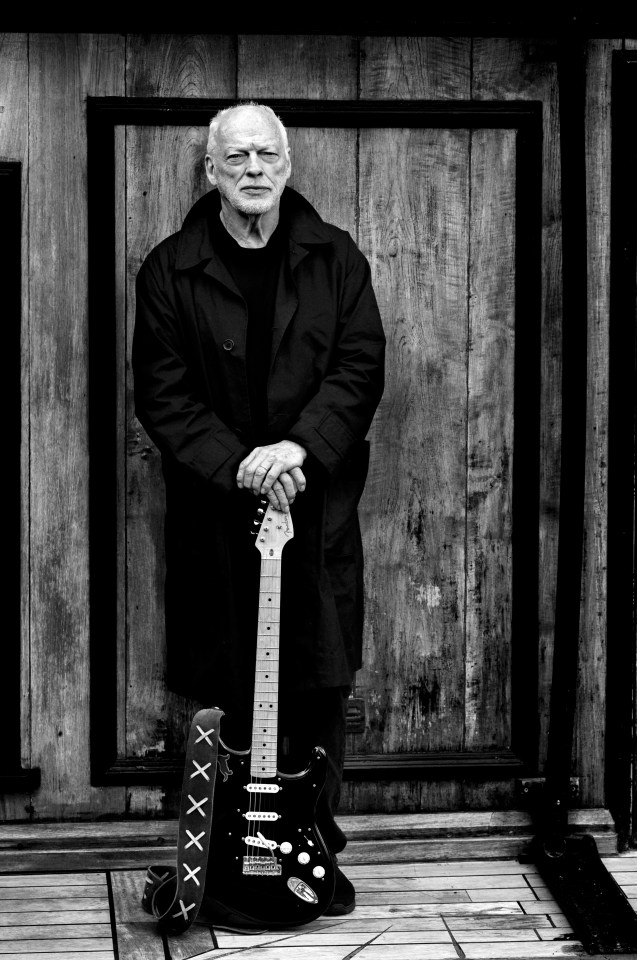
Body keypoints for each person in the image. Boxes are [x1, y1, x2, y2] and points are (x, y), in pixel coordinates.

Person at [132, 101, 385, 917]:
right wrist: (241, 463)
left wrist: (296, 449)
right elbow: (161, 397)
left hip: (312, 511)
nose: (252, 169)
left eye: (266, 155)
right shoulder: (170, 268)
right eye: (235, 156)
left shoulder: (335, 259)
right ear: (210, 171)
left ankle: (313, 848)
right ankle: (225, 858)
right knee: (223, 676)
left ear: (287, 165)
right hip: (216, 508)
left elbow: (358, 368)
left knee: (315, 679)